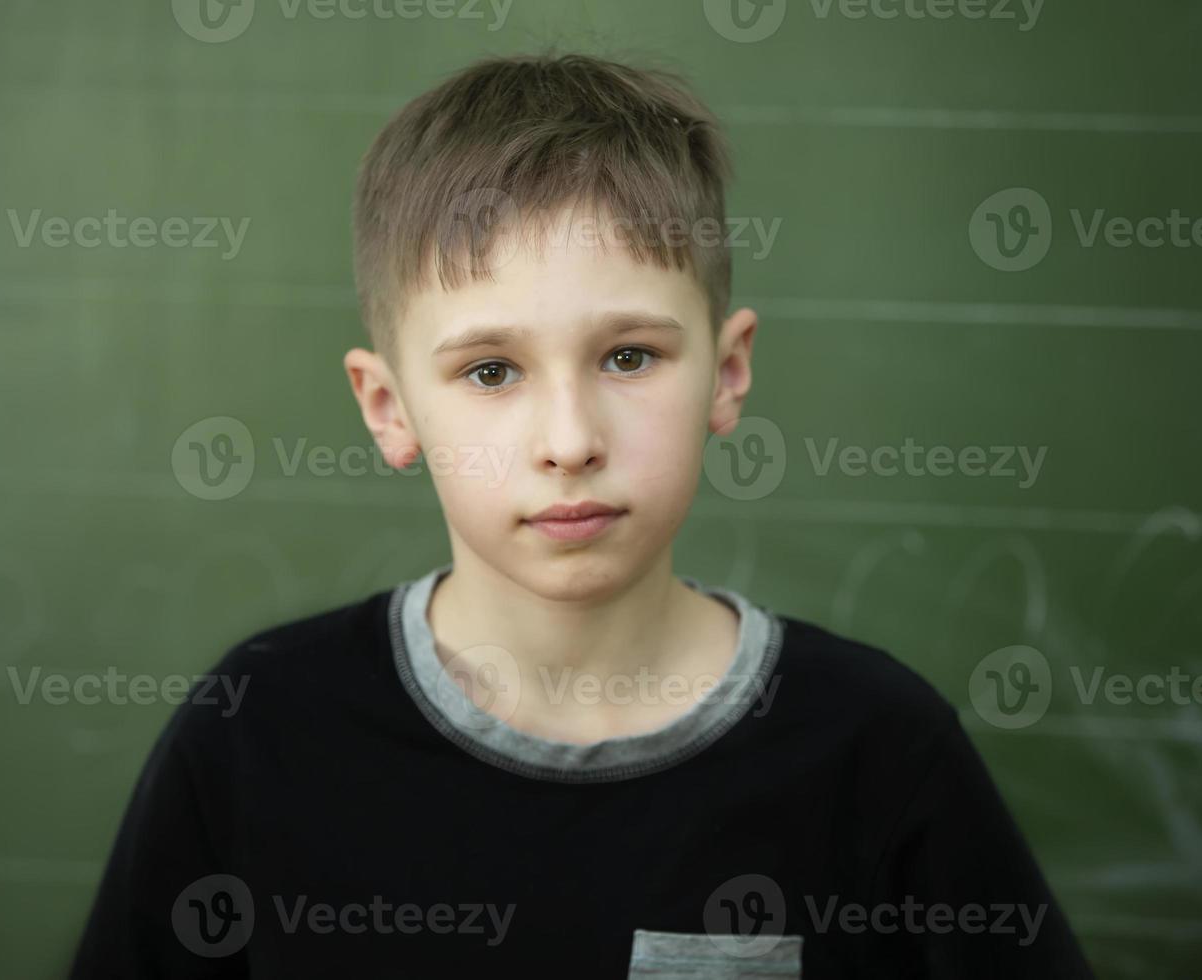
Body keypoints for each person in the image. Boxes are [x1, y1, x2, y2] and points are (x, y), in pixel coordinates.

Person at [71, 52, 1094, 978]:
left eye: (629, 356)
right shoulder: (261, 733)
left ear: (727, 372)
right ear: (390, 408)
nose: (569, 438)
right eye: (490, 369)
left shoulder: (874, 748)